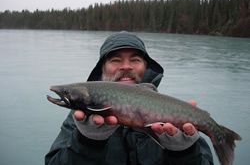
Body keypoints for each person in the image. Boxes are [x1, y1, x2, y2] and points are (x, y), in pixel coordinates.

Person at [45, 31, 214, 165]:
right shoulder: (81, 121)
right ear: (102, 70)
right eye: (116, 60)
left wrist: (184, 153)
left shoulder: (173, 110)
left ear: (146, 68)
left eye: (135, 59)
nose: (126, 66)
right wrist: (86, 142)